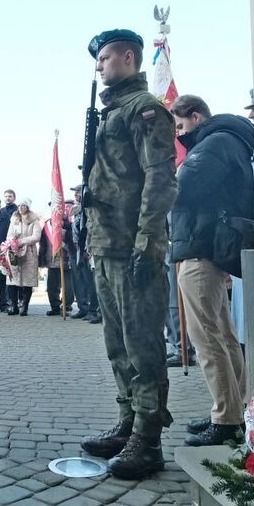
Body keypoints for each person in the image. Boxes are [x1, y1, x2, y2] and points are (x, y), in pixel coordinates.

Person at [79, 29, 177, 480]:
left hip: (131, 246)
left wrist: (145, 244)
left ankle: (148, 438)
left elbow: (159, 181)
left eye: (104, 58)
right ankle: (128, 421)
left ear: (129, 57)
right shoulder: (111, 111)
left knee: (143, 347)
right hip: (104, 243)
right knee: (117, 345)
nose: (99, 65)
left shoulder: (146, 110)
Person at [169, 94, 254, 447]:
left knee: (207, 338)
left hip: (200, 247)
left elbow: (182, 188)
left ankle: (226, 419)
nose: (179, 134)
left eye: (180, 125)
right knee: (223, 334)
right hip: (210, 246)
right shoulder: (230, 139)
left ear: (196, 116)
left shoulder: (215, 142)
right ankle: (232, 408)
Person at [69, 185, 101, 324]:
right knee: (81, 282)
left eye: (78, 192)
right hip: (77, 249)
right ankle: (84, 308)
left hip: (88, 248)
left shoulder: (89, 208)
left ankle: (94, 310)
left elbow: (90, 229)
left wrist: (89, 248)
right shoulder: (76, 210)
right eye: (75, 193)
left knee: (92, 282)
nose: (76, 195)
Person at [3, 198, 41, 315]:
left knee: (27, 281)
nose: (21, 208)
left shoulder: (34, 220)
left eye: (23, 206)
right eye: (19, 206)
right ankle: (13, 305)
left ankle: (24, 306)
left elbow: (36, 236)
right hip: (14, 252)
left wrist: (21, 241)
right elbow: (9, 235)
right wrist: (11, 242)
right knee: (12, 280)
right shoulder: (14, 219)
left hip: (29, 252)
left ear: (27, 207)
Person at [44, 200, 76, 316]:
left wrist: (65, 243)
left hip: (66, 258)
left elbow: (73, 240)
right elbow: (43, 243)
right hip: (51, 259)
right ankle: (55, 307)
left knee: (68, 287)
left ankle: (66, 306)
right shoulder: (47, 224)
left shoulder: (68, 223)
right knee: (52, 287)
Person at [0, 188, 18, 306]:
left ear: (14, 198)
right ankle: (4, 302)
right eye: (6, 196)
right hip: (2, 246)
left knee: (13, 274)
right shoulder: (2, 211)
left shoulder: (18, 210)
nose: (8, 198)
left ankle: (14, 301)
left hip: (13, 246)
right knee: (3, 275)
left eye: (10, 196)